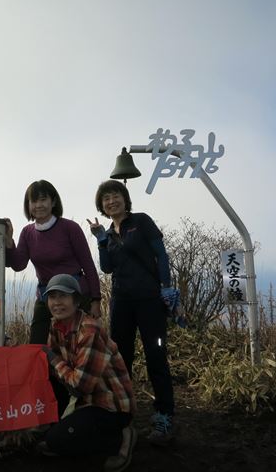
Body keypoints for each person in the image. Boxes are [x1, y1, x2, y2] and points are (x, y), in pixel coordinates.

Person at [89, 179, 177, 444]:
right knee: (121, 358)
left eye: (115, 195)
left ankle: (164, 415)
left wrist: (166, 287)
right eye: (106, 198)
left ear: (125, 198)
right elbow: (107, 268)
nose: (111, 201)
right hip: (122, 302)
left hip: (150, 300)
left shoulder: (141, 221)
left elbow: (161, 255)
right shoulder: (109, 234)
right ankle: (123, 412)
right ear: (102, 205)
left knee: (156, 355)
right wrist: (101, 240)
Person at [39, 274, 136, 472]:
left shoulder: (89, 331)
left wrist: (52, 358)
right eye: (52, 297)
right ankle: (69, 433)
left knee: (56, 440)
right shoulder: (56, 325)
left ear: (76, 301)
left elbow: (80, 386)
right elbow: (53, 368)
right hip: (84, 401)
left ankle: (121, 438)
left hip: (110, 406)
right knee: (50, 437)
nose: (57, 303)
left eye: (63, 296)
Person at [5, 179, 102, 344]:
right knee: (37, 345)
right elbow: (19, 265)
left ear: (53, 202)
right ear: (28, 205)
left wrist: (96, 300)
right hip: (46, 295)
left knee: (82, 342)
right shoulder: (27, 233)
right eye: (33, 201)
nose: (38, 205)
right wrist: (9, 241)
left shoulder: (70, 228)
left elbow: (88, 264)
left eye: (43, 200)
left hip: (76, 295)